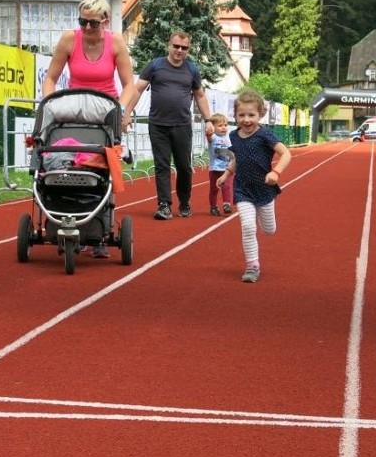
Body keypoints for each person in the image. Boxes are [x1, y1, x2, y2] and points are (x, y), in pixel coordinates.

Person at [42, 0, 135, 258]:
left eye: (93, 23)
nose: (86, 28)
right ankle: (64, 216)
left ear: (105, 21)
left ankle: (100, 230)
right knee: (68, 159)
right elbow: (51, 77)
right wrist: (49, 102)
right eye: (82, 22)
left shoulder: (115, 42)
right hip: (73, 108)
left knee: (102, 164)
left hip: (104, 109)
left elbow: (128, 84)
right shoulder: (69, 39)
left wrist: (121, 110)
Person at [124, 30, 214, 219]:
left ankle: (185, 201)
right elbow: (138, 89)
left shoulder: (192, 70)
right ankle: (164, 205)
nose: (179, 50)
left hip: (182, 125)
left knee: (183, 166)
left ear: (188, 50)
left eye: (184, 48)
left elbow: (200, 96)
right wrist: (126, 113)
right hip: (157, 124)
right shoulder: (155, 65)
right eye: (176, 46)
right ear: (169, 45)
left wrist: (208, 120)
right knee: (162, 165)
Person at [216, 89, 291, 283]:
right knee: (248, 227)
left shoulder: (265, 135)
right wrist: (226, 174)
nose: (246, 120)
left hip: (264, 189)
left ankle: (265, 221)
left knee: (269, 230)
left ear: (260, 115)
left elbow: (286, 153)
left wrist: (276, 172)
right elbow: (236, 160)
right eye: (242, 115)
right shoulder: (233, 136)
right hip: (243, 189)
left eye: (251, 115)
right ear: (235, 116)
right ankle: (252, 265)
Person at [206, 113, 233, 216]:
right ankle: (213, 206)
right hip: (215, 169)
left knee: (227, 187)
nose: (223, 128)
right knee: (214, 189)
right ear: (213, 127)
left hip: (227, 169)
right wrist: (209, 132)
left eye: (225, 125)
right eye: (220, 125)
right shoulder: (213, 137)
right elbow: (209, 137)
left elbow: (231, 152)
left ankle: (226, 204)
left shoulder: (228, 138)